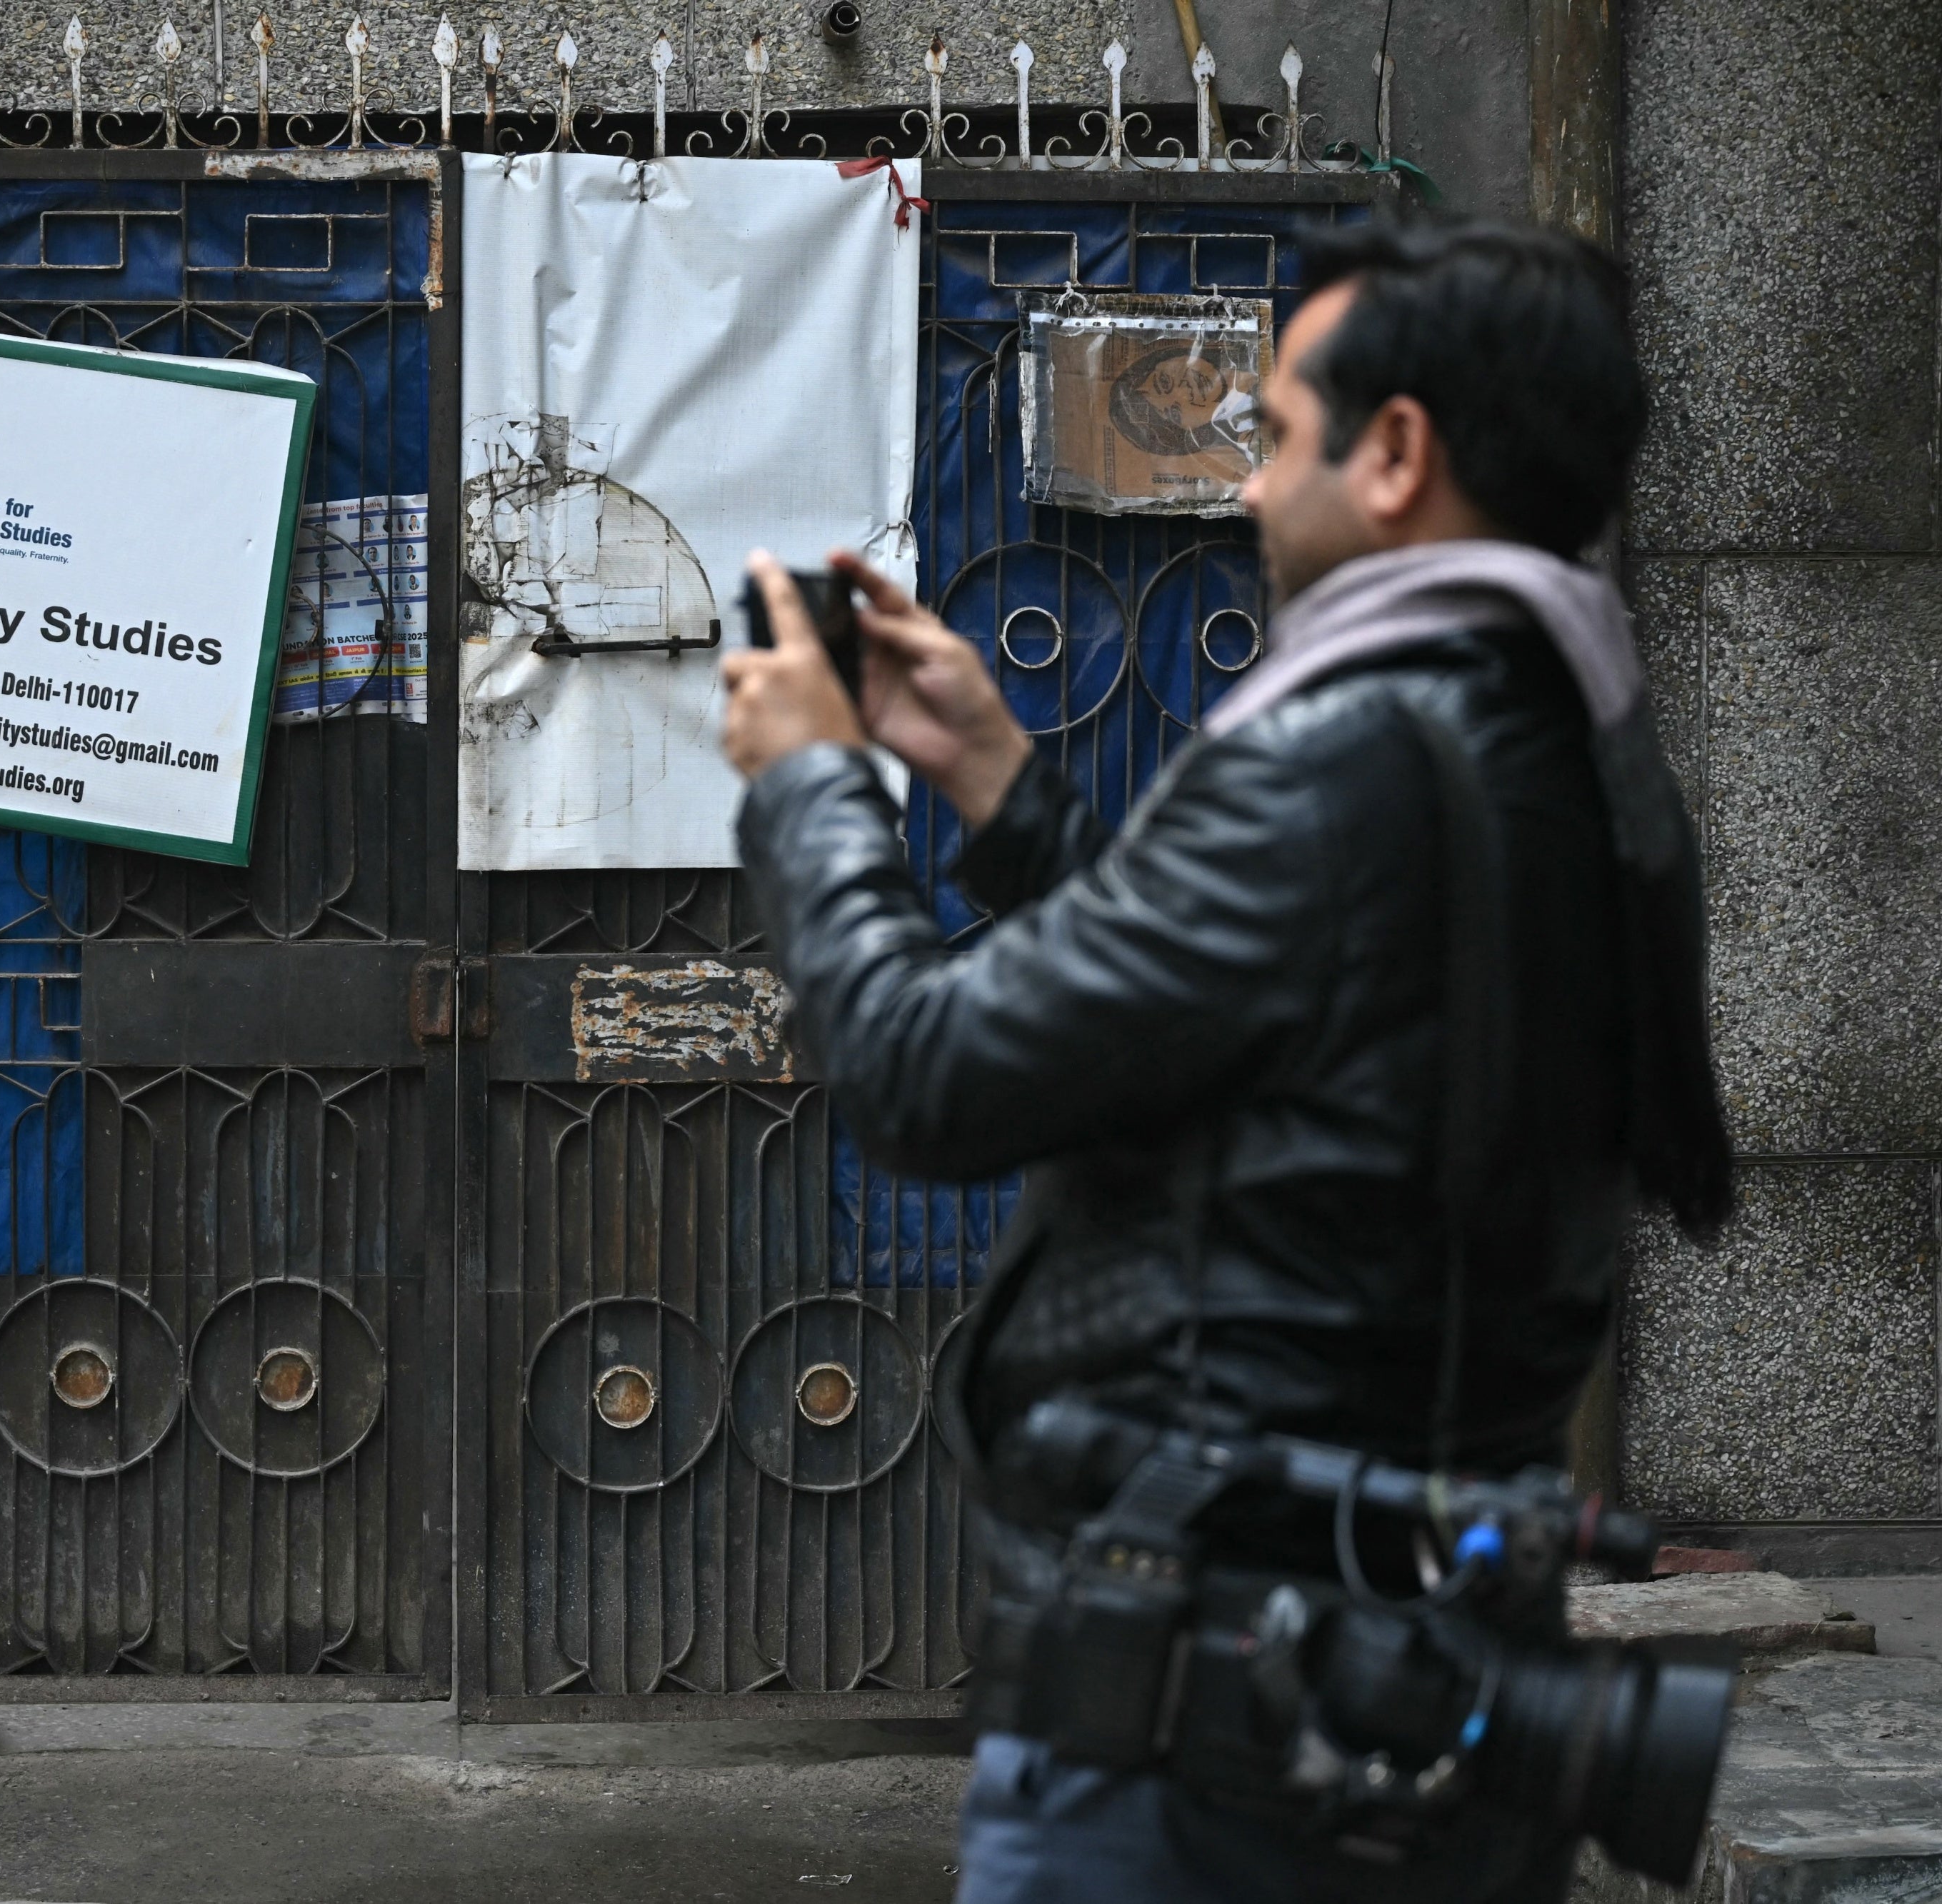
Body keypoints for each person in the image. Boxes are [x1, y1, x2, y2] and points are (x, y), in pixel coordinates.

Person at [721, 221, 1732, 1903]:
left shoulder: (1344, 758)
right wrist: (999, 786)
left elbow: (919, 1074)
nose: (1250, 492)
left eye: (1271, 435)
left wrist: (809, 786)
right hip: (1405, 1666)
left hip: (1220, 1721)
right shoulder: (1557, 739)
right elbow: (1269, 1041)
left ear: (1394, 454)